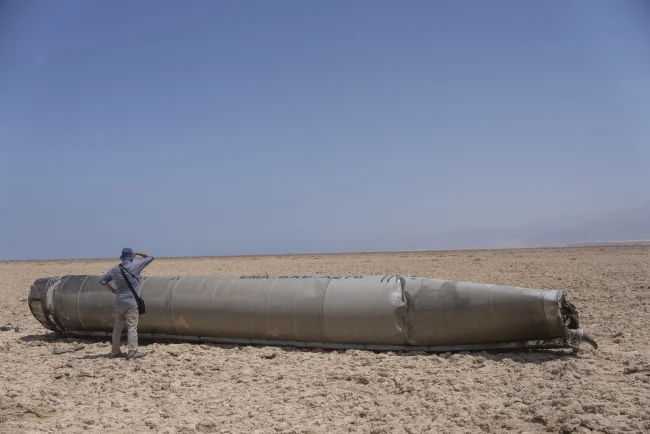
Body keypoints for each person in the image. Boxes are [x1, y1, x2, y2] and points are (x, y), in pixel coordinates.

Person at [99, 247, 154, 359]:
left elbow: (102, 281)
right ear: (132, 257)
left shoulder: (114, 269)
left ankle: (114, 351)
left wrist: (113, 290)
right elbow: (150, 257)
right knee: (132, 327)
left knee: (117, 327)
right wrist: (138, 253)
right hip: (131, 302)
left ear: (122, 257)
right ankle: (132, 352)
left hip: (119, 301)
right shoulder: (135, 266)